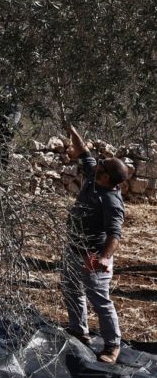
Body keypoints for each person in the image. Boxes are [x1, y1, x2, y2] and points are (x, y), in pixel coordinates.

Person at [61, 124, 127, 365]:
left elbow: (115, 235)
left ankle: (113, 346)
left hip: (93, 256)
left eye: (103, 165)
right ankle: (79, 331)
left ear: (107, 176)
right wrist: (73, 131)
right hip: (74, 249)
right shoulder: (93, 175)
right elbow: (83, 153)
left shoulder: (111, 201)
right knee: (71, 289)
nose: (98, 163)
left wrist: (103, 259)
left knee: (100, 300)